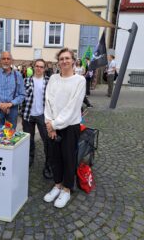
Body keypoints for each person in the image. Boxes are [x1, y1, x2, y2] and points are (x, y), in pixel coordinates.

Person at [43, 48, 85, 208]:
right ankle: (57, 184)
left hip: (70, 126)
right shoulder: (53, 78)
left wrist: (54, 124)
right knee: (54, 157)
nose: (64, 61)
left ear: (73, 60)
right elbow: (48, 100)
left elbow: (72, 107)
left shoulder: (79, 81)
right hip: (52, 125)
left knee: (68, 158)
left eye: (67, 58)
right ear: (58, 61)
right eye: (61, 58)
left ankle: (67, 189)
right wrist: (49, 123)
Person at [22, 59, 53, 178]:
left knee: (47, 140)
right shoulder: (26, 80)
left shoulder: (49, 82)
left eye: (41, 67)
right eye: (37, 66)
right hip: (28, 114)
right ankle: (30, 157)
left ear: (45, 68)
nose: (39, 68)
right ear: (34, 67)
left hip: (43, 115)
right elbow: (21, 97)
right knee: (28, 139)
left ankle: (48, 163)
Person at [0, 51, 25, 129]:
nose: (6, 61)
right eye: (3, 59)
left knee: (10, 134)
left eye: (8, 58)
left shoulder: (18, 75)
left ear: (11, 61)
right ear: (0, 60)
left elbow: (22, 94)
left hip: (12, 109)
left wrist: (10, 104)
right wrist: (0, 104)